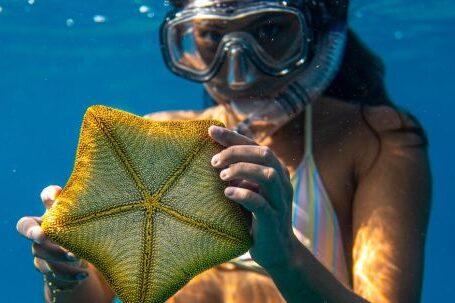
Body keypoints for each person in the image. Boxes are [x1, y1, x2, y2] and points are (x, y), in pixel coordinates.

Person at [17, 0, 432, 302]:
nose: (239, 71)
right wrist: (65, 273)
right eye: (213, 35)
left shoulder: (376, 138)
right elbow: (96, 294)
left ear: (319, 30)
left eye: (270, 30)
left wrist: (282, 254)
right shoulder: (157, 132)